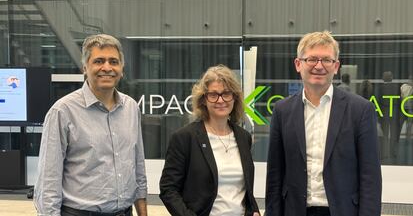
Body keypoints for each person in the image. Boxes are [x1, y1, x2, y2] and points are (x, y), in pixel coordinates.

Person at [265, 31, 382, 216]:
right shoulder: (282, 110)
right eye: (311, 59)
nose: (319, 66)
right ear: (298, 64)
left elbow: (370, 177)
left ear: (336, 66)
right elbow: (275, 175)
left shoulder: (360, 110)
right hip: (295, 210)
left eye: (326, 60)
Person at [34, 34, 147, 216]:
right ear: (84, 68)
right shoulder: (62, 111)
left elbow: (138, 167)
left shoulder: (131, 108)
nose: (107, 68)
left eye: (113, 61)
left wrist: (142, 212)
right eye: (99, 61)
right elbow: (48, 180)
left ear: (122, 68)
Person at [159, 64, 260, 216]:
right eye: (213, 95)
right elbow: (168, 190)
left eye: (226, 93)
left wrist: (254, 210)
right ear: (204, 100)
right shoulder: (185, 138)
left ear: (234, 98)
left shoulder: (243, 137)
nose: (220, 100)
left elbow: (245, 190)